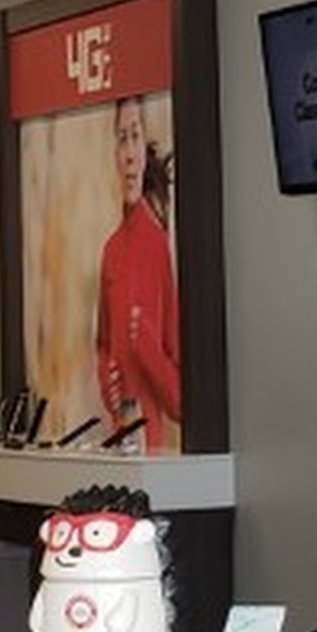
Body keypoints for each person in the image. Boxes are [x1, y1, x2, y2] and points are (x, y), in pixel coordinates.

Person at [96, 94, 180, 450]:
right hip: (119, 445)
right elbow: (102, 344)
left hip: (158, 455)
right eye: (121, 139)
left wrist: (147, 350)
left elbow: (181, 400)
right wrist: (107, 382)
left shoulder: (160, 245)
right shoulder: (111, 250)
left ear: (144, 149)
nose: (129, 154)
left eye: (135, 137)